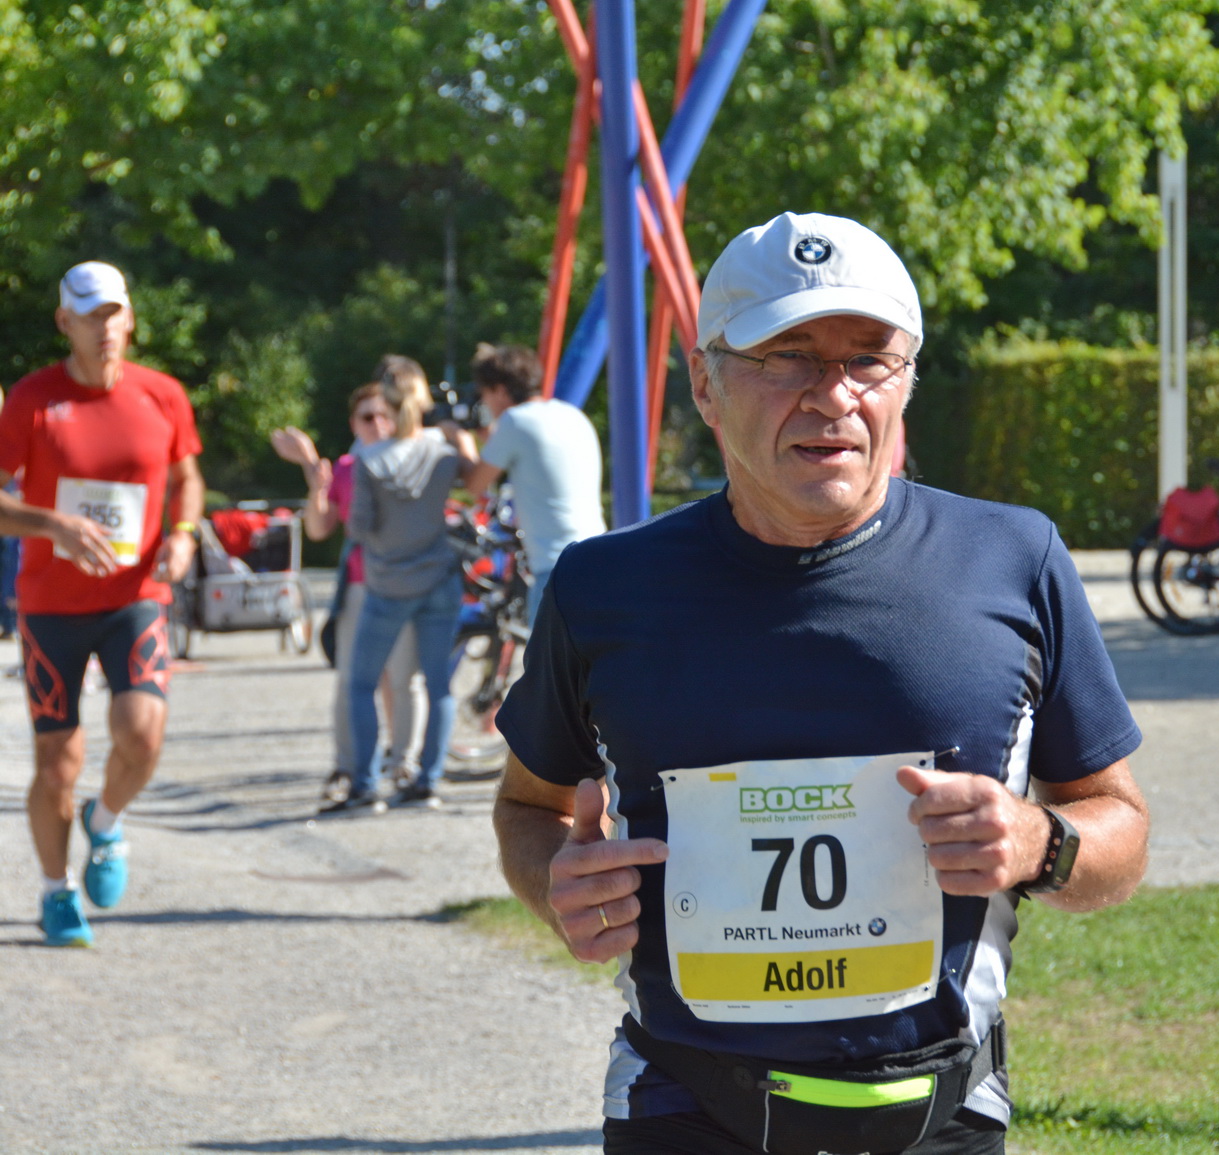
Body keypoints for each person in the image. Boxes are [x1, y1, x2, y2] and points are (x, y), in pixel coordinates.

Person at [492, 212, 1150, 1155]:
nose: (833, 395)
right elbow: (529, 806)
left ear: (906, 380)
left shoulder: (1014, 557)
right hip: (684, 1104)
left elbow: (1120, 825)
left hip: (942, 1111)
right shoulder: (604, 587)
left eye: (868, 359)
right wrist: (555, 877)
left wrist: (1039, 842)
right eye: (788, 357)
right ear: (705, 384)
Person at [0, 260, 203, 947]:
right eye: (89, 316)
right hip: (52, 605)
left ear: (131, 317)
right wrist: (51, 524)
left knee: (142, 735)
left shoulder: (162, 394)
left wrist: (182, 534)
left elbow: (187, 475)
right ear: (65, 322)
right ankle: (55, 891)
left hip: (134, 595)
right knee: (57, 762)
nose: (104, 327)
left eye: (113, 313)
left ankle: (106, 821)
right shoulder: (33, 398)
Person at [271, 382, 427, 802]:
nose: (376, 424)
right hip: (361, 586)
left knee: (405, 680)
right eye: (366, 417)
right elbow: (318, 528)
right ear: (354, 424)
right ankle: (349, 766)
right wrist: (315, 482)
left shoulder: (414, 460)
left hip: (403, 586)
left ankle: (405, 764)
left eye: (384, 416)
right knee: (351, 682)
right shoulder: (346, 467)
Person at [324, 364, 462, 813]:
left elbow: (358, 527)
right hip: (438, 577)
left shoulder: (370, 458)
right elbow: (472, 481)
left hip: (387, 586)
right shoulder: (441, 451)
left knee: (361, 683)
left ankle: (365, 786)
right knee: (438, 686)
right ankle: (427, 781)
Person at [443, 342, 605, 625]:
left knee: (548, 655)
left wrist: (461, 440)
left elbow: (474, 485)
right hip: (599, 559)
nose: (484, 402)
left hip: (556, 569)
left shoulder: (515, 421)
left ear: (500, 391)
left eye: (484, 393)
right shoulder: (570, 415)